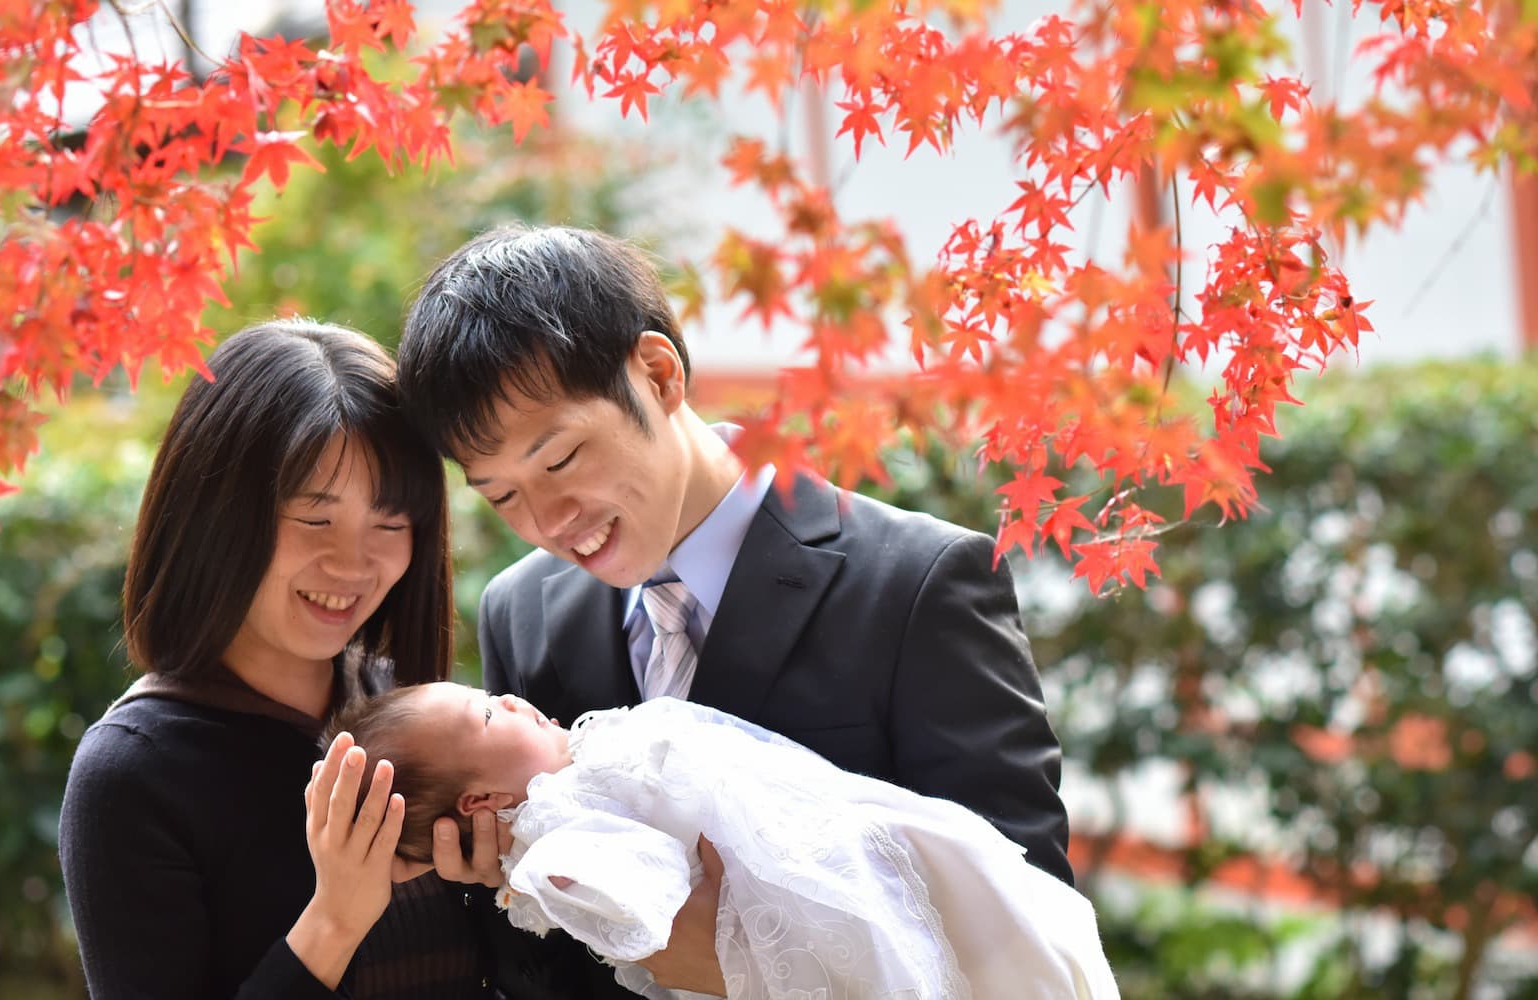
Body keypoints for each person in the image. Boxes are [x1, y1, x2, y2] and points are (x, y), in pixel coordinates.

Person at [396, 225, 1075, 997]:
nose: (550, 520)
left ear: (657, 374)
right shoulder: (524, 611)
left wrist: (731, 968)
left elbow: (1028, 926)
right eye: (504, 495)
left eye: (561, 459)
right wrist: (509, 885)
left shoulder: (918, 583)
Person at [58, 320, 492, 999]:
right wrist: (335, 921)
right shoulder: (135, 776)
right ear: (217, 517)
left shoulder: (404, 711)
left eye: (388, 524)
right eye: (315, 519)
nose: (352, 564)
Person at [331, 683, 1118, 1000]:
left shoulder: (586, 752)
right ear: (481, 800)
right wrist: (522, 880)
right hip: (807, 907)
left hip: (856, 835)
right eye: (486, 715)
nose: (507, 695)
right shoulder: (554, 830)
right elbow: (638, 908)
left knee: (987, 906)